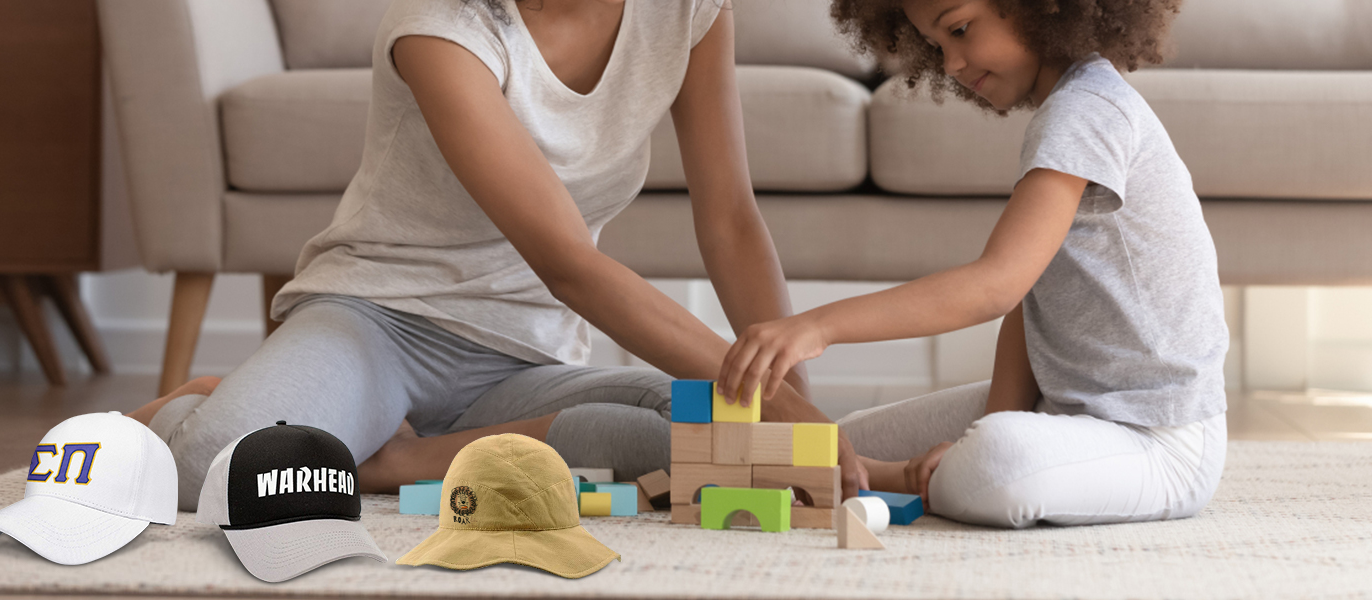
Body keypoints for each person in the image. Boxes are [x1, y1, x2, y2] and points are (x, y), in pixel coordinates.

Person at [129, 0, 866, 511]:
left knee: (690, 431)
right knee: (223, 474)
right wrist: (782, 409)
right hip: (380, 323)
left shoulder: (689, 12)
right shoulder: (442, 26)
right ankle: (225, 401)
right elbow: (567, 262)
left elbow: (732, 222)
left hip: (525, 359)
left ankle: (403, 459)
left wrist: (794, 413)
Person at [715, 0, 1228, 528]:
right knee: (842, 436)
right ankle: (888, 468)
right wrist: (995, 417)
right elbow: (1031, 303)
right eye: (936, 46)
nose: (950, 64)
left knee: (997, 460)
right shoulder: (1065, 109)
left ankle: (889, 478)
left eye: (960, 30)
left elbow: (996, 285)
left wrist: (816, 326)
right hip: (1065, 404)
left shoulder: (1088, 110)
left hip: (1159, 439)